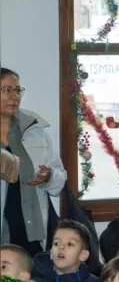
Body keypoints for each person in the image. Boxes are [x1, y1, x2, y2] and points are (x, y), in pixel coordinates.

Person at [0, 68, 67, 257]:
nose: (14, 96)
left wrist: (48, 177)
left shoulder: (35, 131)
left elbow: (60, 176)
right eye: (6, 90)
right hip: (4, 232)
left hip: (34, 233)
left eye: (18, 90)